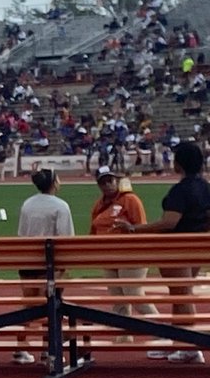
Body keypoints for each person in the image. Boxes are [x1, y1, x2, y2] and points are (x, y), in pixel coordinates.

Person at [116, 142, 210, 363]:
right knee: (181, 294)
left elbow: (169, 222)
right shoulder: (205, 186)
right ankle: (180, 342)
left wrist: (135, 229)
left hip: (176, 247)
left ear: (179, 163)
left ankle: (188, 345)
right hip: (196, 247)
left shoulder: (181, 190)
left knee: (181, 295)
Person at [14, 169, 74, 365]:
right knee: (51, 304)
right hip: (49, 263)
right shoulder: (61, 206)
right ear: (53, 183)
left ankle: (20, 346)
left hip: (28, 261)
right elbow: (66, 238)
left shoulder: (27, 204)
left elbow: (22, 234)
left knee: (28, 304)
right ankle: (48, 350)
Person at [89, 166, 158, 328]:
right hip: (108, 257)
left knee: (134, 296)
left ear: (117, 181)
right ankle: (124, 338)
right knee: (118, 301)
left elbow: (142, 226)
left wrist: (130, 228)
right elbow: (93, 231)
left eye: (110, 181)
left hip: (130, 255)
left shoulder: (130, 200)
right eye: (103, 182)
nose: (107, 185)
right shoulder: (98, 205)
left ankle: (165, 331)